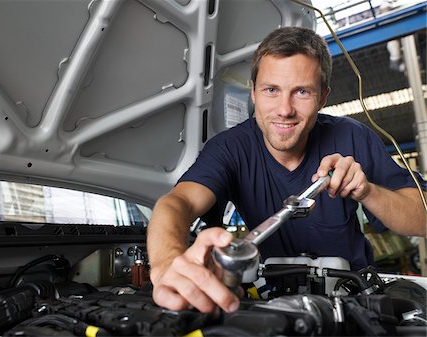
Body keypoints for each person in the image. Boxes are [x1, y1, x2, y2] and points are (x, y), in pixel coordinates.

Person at [146, 27, 427, 315]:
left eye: (302, 92)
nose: (284, 109)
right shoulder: (229, 148)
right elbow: (176, 203)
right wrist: (168, 263)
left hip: (356, 300)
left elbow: (422, 219)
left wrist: (367, 190)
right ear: (253, 92)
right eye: (271, 90)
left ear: (323, 97)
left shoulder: (353, 138)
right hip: (272, 303)